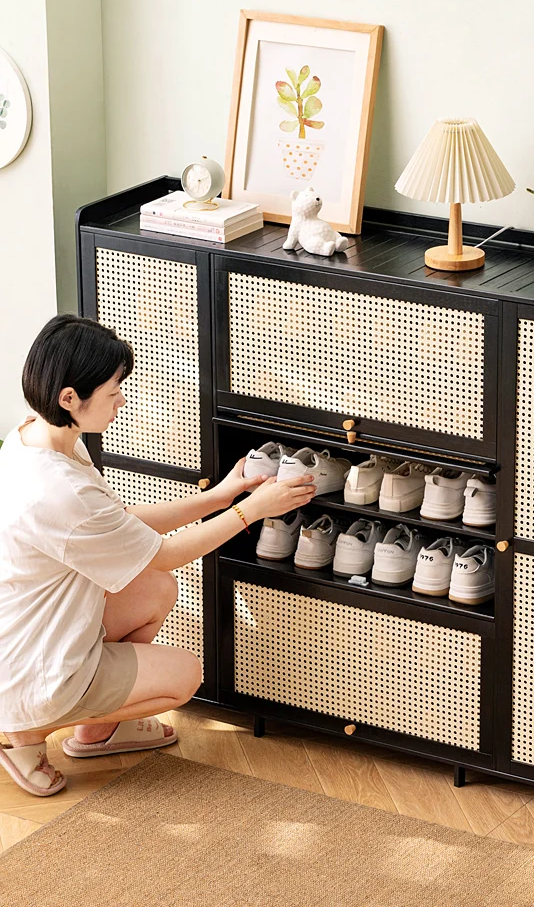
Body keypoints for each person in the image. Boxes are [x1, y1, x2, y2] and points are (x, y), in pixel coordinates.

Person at [0, 314, 315, 797]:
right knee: (185, 676)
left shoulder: (36, 440)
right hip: (32, 668)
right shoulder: (58, 490)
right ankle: (24, 732)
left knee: (153, 591)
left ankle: (97, 730)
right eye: (112, 391)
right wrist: (252, 511)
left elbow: (123, 526)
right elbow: (163, 554)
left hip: (30, 631)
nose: (121, 400)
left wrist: (222, 496)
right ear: (70, 398)